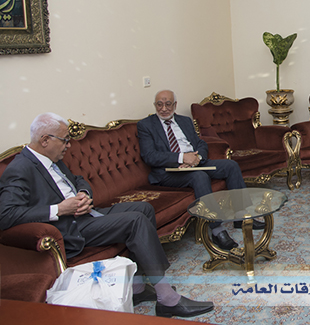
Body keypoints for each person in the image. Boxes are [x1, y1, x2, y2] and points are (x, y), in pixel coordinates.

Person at [0, 113, 214, 318]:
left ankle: (137, 286)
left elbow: (78, 179)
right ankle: (167, 298)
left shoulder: (52, 158)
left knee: (144, 209)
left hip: (86, 215)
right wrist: (59, 209)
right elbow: (6, 214)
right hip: (70, 228)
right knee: (135, 221)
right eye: (65, 140)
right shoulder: (20, 168)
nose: (68, 145)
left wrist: (84, 194)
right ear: (45, 140)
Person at [137, 89, 262, 252]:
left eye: (168, 104)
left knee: (230, 166)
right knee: (199, 176)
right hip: (169, 171)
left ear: (175, 105)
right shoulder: (146, 125)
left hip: (195, 163)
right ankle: (217, 230)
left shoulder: (184, 121)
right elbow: (150, 156)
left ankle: (241, 216)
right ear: (155, 105)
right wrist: (182, 158)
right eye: (159, 104)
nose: (164, 108)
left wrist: (197, 158)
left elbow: (200, 143)